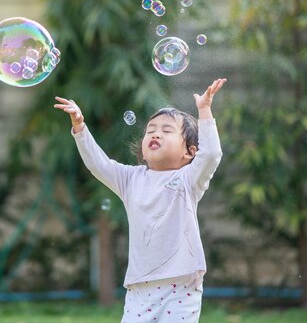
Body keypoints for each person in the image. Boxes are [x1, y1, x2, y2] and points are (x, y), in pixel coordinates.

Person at [54, 78, 227, 323]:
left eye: (167, 130)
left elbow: (211, 154)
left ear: (189, 152)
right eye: (151, 130)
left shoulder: (188, 179)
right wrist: (80, 128)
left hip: (181, 285)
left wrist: (205, 111)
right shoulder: (131, 179)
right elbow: (98, 165)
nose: (156, 133)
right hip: (140, 286)